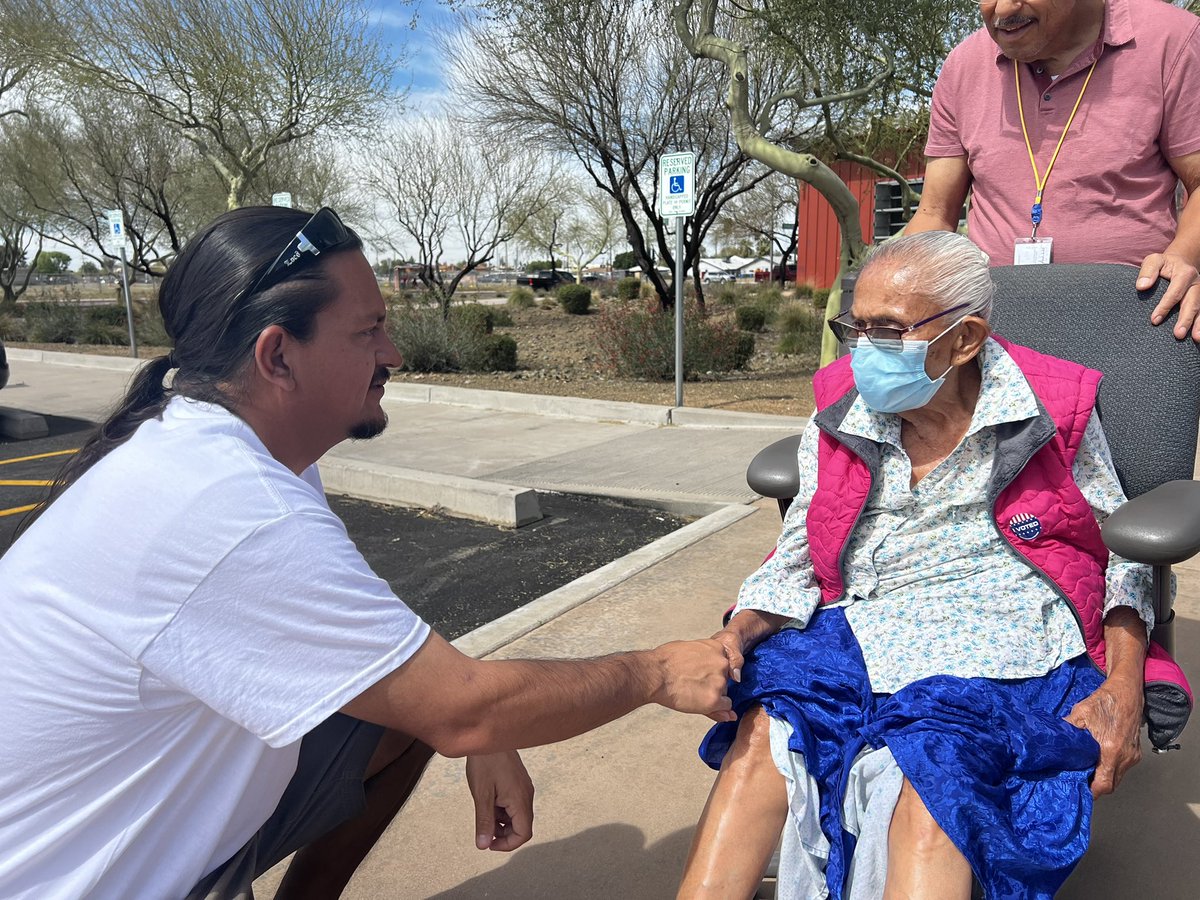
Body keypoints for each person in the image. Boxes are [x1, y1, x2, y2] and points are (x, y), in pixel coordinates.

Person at [0, 206, 739, 900]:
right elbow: (463, 712)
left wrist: (479, 722)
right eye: (368, 331)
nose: (393, 352)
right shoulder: (227, 503)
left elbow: (394, 655)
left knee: (401, 709)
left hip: (124, 829)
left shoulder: (223, 447)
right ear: (278, 355)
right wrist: (658, 671)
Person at [676, 232, 1191, 900]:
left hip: (1004, 640)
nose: (862, 350)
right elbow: (800, 549)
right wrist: (737, 631)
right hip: (859, 625)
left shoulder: (1049, 408)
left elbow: (1120, 550)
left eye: (886, 331)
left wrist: (1124, 679)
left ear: (965, 338)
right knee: (762, 742)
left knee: (934, 796)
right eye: (853, 327)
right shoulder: (840, 409)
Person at [905, 0, 1200, 342]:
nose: (1002, 10)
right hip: (996, 332)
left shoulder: (1171, 40)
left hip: (1134, 323)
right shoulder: (963, 66)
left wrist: (1182, 258)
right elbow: (934, 214)